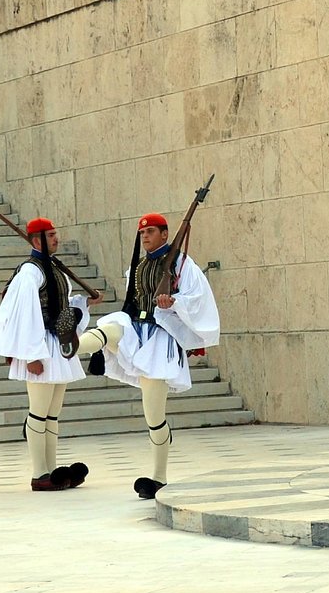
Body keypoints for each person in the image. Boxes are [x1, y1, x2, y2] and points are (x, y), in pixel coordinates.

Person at [75, 212, 220, 499]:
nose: (145, 237)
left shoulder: (181, 264)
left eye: (151, 232)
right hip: (135, 327)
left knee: (154, 417)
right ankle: (71, 347)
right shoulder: (139, 266)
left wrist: (173, 301)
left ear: (165, 234)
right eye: (142, 233)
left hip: (160, 339)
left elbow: (198, 297)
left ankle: (158, 477)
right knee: (111, 325)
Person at [0, 217, 100, 492]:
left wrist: (84, 302)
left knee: (52, 414)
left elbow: (61, 305)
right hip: (40, 346)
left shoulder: (53, 268)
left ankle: (53, 471)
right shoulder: (30, 272)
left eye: (55, 234)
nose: (56, 239)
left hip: (57, 344)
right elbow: (25, 314)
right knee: (39, 413)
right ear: (36, 240)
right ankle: (39, 473)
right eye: (50, 235)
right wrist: (31, 355)